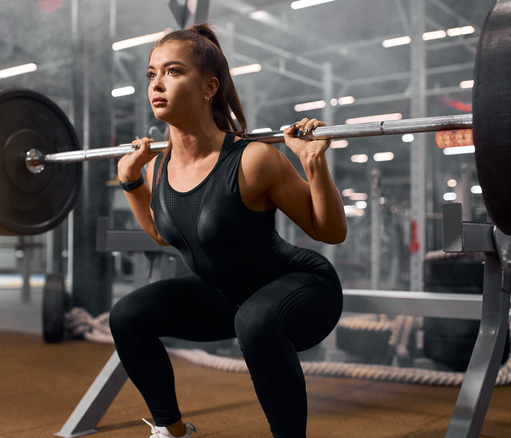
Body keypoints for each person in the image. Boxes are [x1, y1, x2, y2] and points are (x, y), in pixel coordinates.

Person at [110, 22, 347, 438]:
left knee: (255, 322)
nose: (157, 84)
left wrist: (313, 164)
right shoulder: (159, 164)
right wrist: (132, 182)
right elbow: (164, 234)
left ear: (209, 87)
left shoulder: (253, 159)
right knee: (128, 315)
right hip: (226, 298)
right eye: (152, 74)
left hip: (303, 288)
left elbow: (330, 232)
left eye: (173, 71)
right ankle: (172, 430)